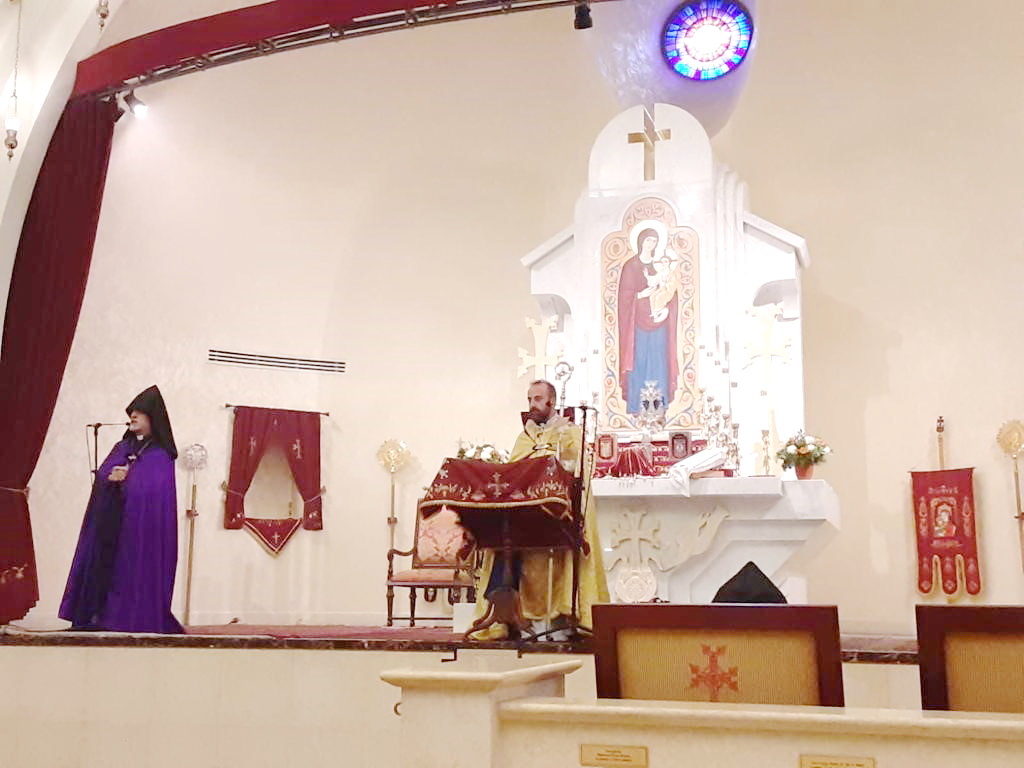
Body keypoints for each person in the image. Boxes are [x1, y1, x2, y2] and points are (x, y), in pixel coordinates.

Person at [472, 380, 609, 639]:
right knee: (503, 541)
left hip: (558, 515)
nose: (532, 405)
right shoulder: (525, 437)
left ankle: (560, 618)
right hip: (525, 514)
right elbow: (513, 470)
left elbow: (579, 469)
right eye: (529, 399)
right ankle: (506, 614)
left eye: (537, 399)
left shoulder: (569, 432)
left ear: (551, 402)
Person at [59, 385, 183, 633]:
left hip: (138, 530)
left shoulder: (161, 454)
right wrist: (110, 479)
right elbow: (104, 474)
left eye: (140, 412)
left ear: (153, 418)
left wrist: (129, 477)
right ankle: (95, 616)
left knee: (130, 572)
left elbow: (152, 490)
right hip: (111, 524)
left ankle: (127, 618)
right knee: (102, 566)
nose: (133, 416)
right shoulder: (122, 446)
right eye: (131, 413)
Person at [617, 226, 680, 414]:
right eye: (648, 241)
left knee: (659, 358)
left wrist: (667, 311)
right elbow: (623, 297)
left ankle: (659, 406)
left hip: (659, 322)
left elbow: (672, 294)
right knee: (639, 360)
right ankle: (638, 405)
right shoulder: (631, 266)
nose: (651, 245)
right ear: (640, 242)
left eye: (654, 241)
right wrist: (640, 295)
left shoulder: (661, 266)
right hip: (636, 323)